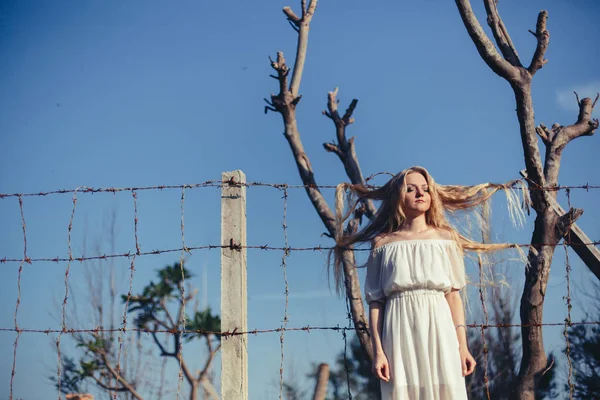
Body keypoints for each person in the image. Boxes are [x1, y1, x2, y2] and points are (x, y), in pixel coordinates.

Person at [331, 166, 528, 399]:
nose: (420, 194)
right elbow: (376, 302)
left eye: (425, 189)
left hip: (439, 324)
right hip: (398, 328)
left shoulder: (446, 238)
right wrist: (379, 353)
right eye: (411, 189)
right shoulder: (383, 243)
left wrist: (462, 346)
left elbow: (453, 296)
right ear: (398, 197)